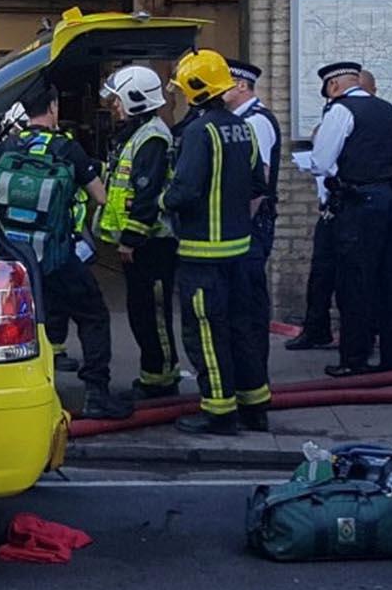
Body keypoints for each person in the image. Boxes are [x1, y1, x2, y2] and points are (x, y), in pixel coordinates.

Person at [0, 84, 132, 419]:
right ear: (53, 107)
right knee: (93, 315)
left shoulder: (9, 145)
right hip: (58, 255)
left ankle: (39, 395)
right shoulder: (68, 149)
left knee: (38, 320)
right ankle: (96, 393)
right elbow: (101, 197)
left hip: (18, 258)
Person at [163, 49, 263, 436]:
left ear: (195, 88)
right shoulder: (244, 128)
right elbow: (259, 183)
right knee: (241, 329)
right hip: (239, 252)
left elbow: (183, 191)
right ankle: (255, 405)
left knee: (206, 332)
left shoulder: (198, 132)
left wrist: (160, 200)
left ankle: (219, 411)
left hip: (202, 255)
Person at [296, 60, 392, 378]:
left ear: (333, 86)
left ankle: (354, 358)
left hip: (360, 204)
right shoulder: (388, 109)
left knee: (355, 282)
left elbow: (320, 161)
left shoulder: (340, 111)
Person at [100, 64, 179, 397]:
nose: (115, 106)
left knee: (153, 314)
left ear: (136, 98)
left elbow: (146, 194)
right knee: (140, 311)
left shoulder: (153, 138)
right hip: (143, 243)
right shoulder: (138, 133)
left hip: (152, 244)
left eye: (118, 100)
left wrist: (131, 238)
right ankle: (152, 372)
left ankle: (161, 377)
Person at [226, 60, 279, 406]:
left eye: (226, 82)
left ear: (242, 86)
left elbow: (257, 183)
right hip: (246, 226)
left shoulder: (255, 122)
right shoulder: (240, 121)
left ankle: (254, 381)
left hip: (251, 228)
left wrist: (241, 224)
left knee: (248, 306)